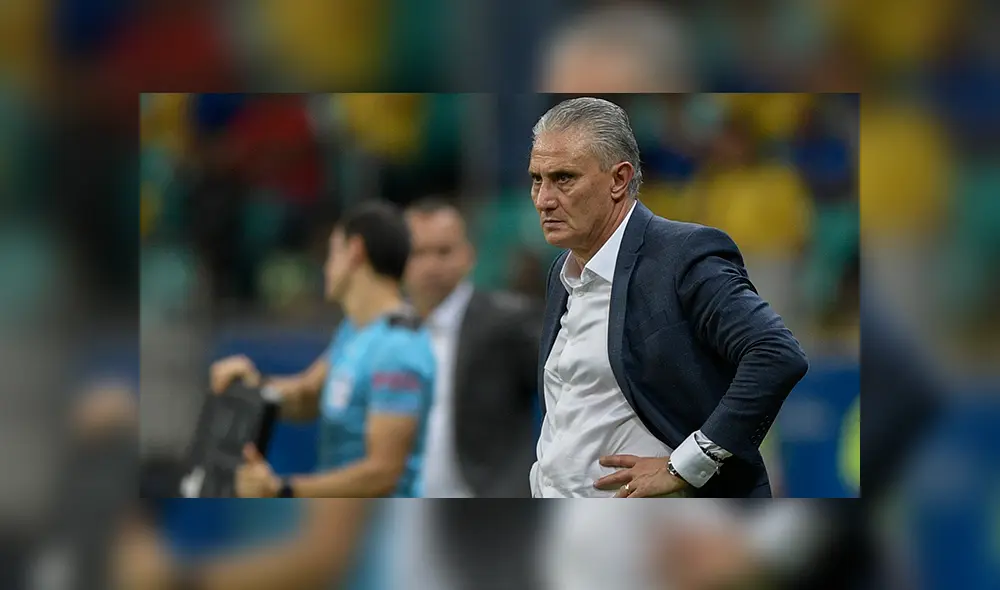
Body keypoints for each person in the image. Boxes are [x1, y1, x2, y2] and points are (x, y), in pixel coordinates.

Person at [528, 97, 809, 498]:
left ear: (619, 180)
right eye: (537, 179)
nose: (543, 199)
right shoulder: (562, 272)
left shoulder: (682, 255)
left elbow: (775, 353)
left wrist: (687, 464)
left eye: (564, 178)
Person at [209, 201, 435, 498]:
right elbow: (307, 395)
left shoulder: (398, 349)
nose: (325, 267)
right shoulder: (355, 329)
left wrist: (281, 490)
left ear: (355, 250)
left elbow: (383, 473)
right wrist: (254, 385)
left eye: (332, 253)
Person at [403, 197, 541, 498]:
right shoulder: (388, 329)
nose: (431, 265)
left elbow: (565, 392)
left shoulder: (506, 322)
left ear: (469, 254)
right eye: (418, 253)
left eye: (443, 251)